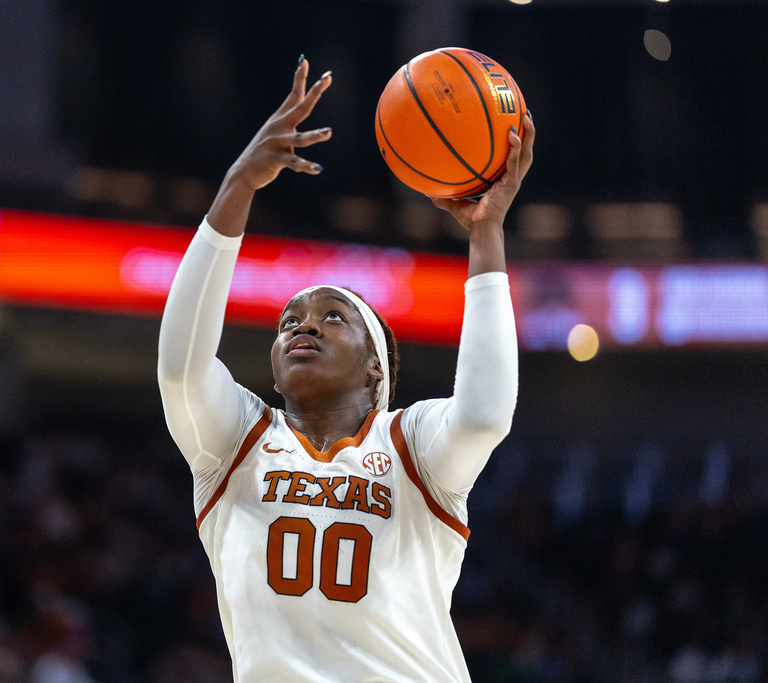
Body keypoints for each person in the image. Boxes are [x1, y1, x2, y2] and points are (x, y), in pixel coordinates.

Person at [157, 56, 534, 682]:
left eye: (334, 318)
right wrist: (236, 189)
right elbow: (180, 371)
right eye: (288, 323)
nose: (302, 325)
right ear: (274, 372)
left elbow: (484, 415)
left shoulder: (411, 447)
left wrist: (486, 232)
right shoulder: (238, 445)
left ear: (375, 372)